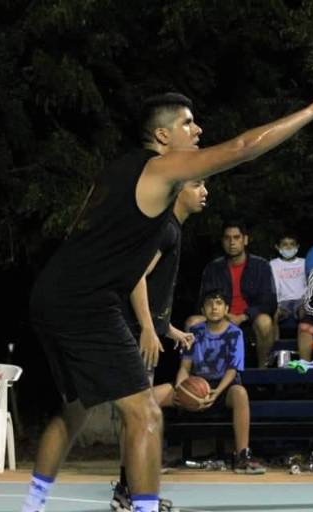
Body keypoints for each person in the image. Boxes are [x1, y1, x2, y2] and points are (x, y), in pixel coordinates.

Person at [25, 55, 313, 512]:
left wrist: (158, 323)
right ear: (162, 136)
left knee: (73, 409)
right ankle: (144, 507)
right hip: (85, 304)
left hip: (53, 296)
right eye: (188, 124)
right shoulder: (159, 169)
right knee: (146, 412)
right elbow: (243, 147)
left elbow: (104, 250)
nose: (197, 131)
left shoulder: (117, 174)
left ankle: (31, 507)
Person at [112, 179, 207, 511]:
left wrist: (169, 330)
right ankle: (129, 492)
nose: (204, 191)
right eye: (197, 184)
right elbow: (136, 277)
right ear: (177, 191)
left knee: (141, 415)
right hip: (131, 333)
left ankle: (130, 491)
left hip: (138, 329)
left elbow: (153, 293)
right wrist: (149, 330)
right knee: (140, 415)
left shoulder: (171, 229)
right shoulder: (165, 228)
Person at [154, 289, 265, 474]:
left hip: (222, 388)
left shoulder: (235, 333)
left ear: (226, 309)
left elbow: (232, 370)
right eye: (210, 304)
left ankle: (242, 455)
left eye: (219, 303)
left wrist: (216, 393)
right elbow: (185, 368)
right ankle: (155, 457)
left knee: (240, 394)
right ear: (203, 310)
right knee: (152, 396)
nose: (214, 307)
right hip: (196, 385)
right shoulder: (195, 332)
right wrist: (182, 389)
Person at [198, 221, 278, 368]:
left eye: (236, 237)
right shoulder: (213, 268)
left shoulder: (261, 266)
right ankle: (201, 378)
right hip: (220, 317)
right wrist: (224, 316)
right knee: (192, 322)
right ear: (222, 241)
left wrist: (243, 316)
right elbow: (203, 300)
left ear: (245, 240)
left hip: (249, 319)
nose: (232, 242)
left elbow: (269, 301)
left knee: (265, 322)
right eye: (227, 238)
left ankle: (263, 373)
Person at [269, 231, 307, 336]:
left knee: (304, 313)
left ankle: (302, 346)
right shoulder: (273, 264)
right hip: (281, 302)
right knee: (274, 315)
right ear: (277, 247)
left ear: (297, 246)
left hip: (301, 300)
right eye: (285, 244)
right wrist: (275, 304)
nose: (289, 247)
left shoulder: (304, 262)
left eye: (292, 244)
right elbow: (272, 286)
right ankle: (275, 346)